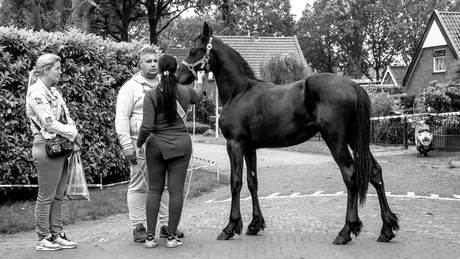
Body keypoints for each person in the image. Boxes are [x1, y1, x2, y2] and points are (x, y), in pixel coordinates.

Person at [115, 47, 183, 243]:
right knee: (139, 186)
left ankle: (165, 225)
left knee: (167, 186)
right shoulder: (130, 88)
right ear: (140, 64)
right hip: (142, 144)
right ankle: (138, 226)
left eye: (155, 61)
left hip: (166, 144)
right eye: (148, 61)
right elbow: (121, 118)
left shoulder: (167, 84)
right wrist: (127, 145)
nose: (153, 64)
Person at [136, 54, 205, 248]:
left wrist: (138, 144)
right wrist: (200, 80)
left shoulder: (150, 95)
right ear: (176, 71)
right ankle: (172, 237)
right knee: (175, 192)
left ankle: (150, 237)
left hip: (156, 146)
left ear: (158, 70)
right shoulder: (184, 92)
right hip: (181, 147)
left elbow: (147, 127)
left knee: (155, 190)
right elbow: (198, 96)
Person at [26, 53, 82, 251]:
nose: (61, 71)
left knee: (58, 194)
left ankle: (56, 234)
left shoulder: (54, 92)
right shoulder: (36, 93)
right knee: (46, 195)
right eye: (57, 68)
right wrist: (74, 134)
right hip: (46, 146)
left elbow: (65, 117)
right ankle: (43, 237)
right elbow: (49, 123)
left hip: (60, 147)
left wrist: (72, 133)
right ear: (45, 70)